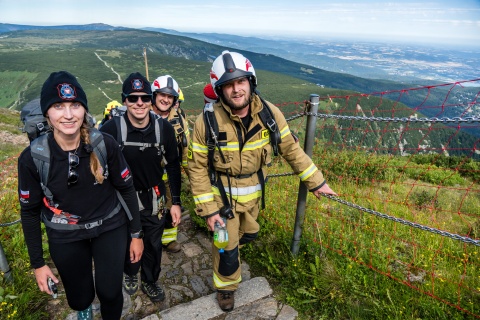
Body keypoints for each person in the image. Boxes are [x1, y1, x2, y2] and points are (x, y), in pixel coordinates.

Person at [187, 51, 337, 312]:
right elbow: (197, 168)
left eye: (240, 82)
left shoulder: (270, 114)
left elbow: (291, 149)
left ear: (251, 81)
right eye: (228, 85)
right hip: (221, 199)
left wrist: (316, 181)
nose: (236, 90)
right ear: (219, 90)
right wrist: (209, 210)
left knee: (252, 233)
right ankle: (226, 288)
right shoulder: (207, 121)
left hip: (253, 198)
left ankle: (230, 248)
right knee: (226, 246)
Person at [18, 71, 144, 320]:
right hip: (66, 234)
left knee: (110, 292)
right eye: (58, 106)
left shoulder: (104, 144)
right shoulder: (33, 158)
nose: (68, 114)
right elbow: (29, 211)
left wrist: (136, 235)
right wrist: (38, 264)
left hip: (109, 225)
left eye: (75, 105)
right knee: (79, 298)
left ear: (84, 110)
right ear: (47, 113)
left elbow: (126, 189)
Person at [100, 72, 182, 302]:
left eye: (145, 98)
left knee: (153, 245)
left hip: (153, 198)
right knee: (127, 242)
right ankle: (130, 273)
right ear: (124, 100)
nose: (139, 103)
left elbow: (173, 165)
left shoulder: (163, 129)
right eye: (133, 98)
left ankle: (150, 280)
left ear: (151, 100)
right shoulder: (110, 129)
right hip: (120, 201)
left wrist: (175, 201)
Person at [150, 75, 190, 253]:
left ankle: (168, 239)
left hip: (169, 176)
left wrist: (191, 173)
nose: (166, 99)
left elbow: (186, 147)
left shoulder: (179, 119)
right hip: (146, 177)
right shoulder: (142, 114)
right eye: (162, 95)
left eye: (170, 96)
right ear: (154, 95)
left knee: (171, 208)